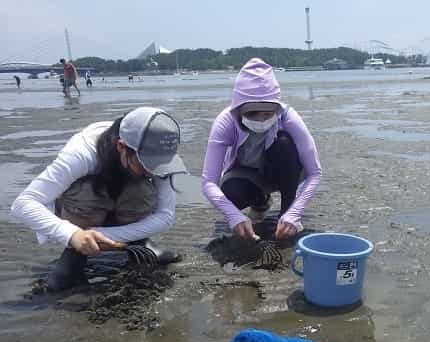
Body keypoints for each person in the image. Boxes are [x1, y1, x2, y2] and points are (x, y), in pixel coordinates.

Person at [10, 107, 188, 292]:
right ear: (121, 146)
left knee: (140, 192)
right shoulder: (82, 154)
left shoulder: (161, 150)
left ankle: (139, 244)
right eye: (145, 164)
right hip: (85, 206)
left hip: (117, 211)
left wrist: (104, 235)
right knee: (87, 194)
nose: (153, 171)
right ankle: (76, 254)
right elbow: (24, 204)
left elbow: (165, 216)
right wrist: (73, 235)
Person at [202, 58, 322, 241]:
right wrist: (233, 216)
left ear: (277, 108)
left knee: (284, 144)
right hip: (247, 172)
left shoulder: (288, 117)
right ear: (239, 109)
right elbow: (208, 182)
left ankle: (286, 212)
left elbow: (315, 173)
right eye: (252, 113)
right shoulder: (226, 122)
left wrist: (294, 213)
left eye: (267, 114)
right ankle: (260, 203)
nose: (260, 120)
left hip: (280, 169)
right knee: (231, 193)